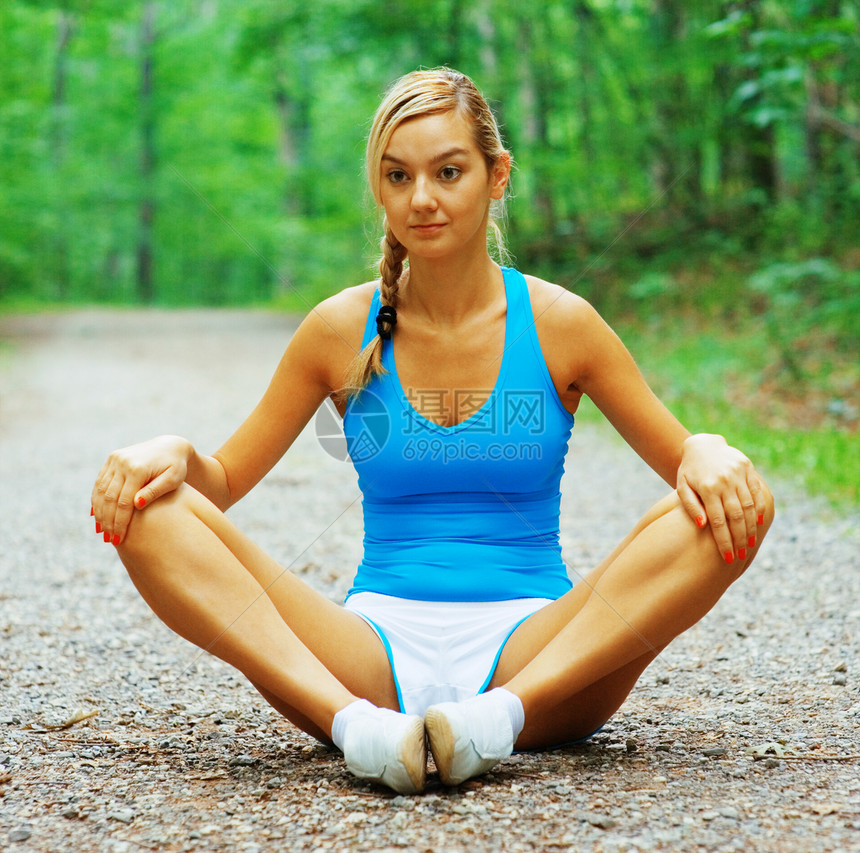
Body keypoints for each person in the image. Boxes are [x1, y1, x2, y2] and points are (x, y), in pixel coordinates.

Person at [91, 68, 774, 795]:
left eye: (449, 172)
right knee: (149, 511)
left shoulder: (562, 322)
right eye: (398, 175)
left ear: (496, 175)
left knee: (736, 505)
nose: (423, 198)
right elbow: (221, 483)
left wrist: (706, 447)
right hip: (367, 656)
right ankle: (362, 732)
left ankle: (495, 721)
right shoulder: (334, 330)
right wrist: (174, 452)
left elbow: (684, 465)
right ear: (379, 189)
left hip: (536, 652)